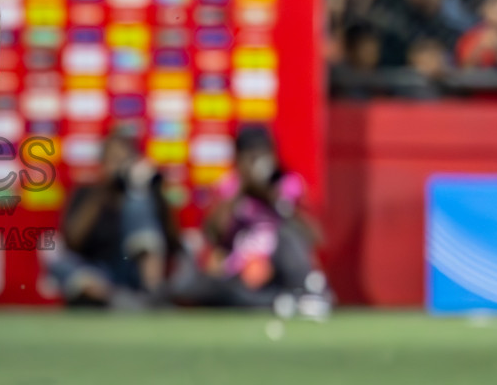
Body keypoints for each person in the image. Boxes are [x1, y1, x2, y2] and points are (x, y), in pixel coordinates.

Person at [186, 126, 329, 314]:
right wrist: (242, 188)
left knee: (286, 236)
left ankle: (300, 294)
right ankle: (278, 302)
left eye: (262, 154)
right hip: (241, 270)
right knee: (210, 284)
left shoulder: (287, 185)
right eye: (250, 157)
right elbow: (214, 234)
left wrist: (276, 200)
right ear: (238, 159)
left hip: (279, 265)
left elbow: (315, 237)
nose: (257, 163)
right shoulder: (230, 187)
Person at [49, 134, 180, 306]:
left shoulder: (142, 196)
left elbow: (171, 240)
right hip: (100, 272)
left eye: (123, 160)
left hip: (135, 271)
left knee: (137, 204)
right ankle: (117, 300)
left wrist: (143, 190)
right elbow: (73, 240)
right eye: (113, 160)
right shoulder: (89, 193)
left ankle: (152, 294)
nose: (118, 167)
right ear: (102, 164)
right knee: (60, 265)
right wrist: (104, 192)